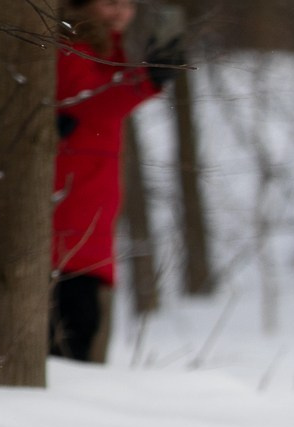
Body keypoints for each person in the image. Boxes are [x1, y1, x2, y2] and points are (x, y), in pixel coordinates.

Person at [52, 0, 180, 363]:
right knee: (69, 345)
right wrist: (148, 79)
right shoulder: (70, 44)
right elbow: (88, 103)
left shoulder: (101, 49)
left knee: (80, 341)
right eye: (110, 2)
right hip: (63, 237)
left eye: (128, 4)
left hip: (85, 236)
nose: (121, 13)